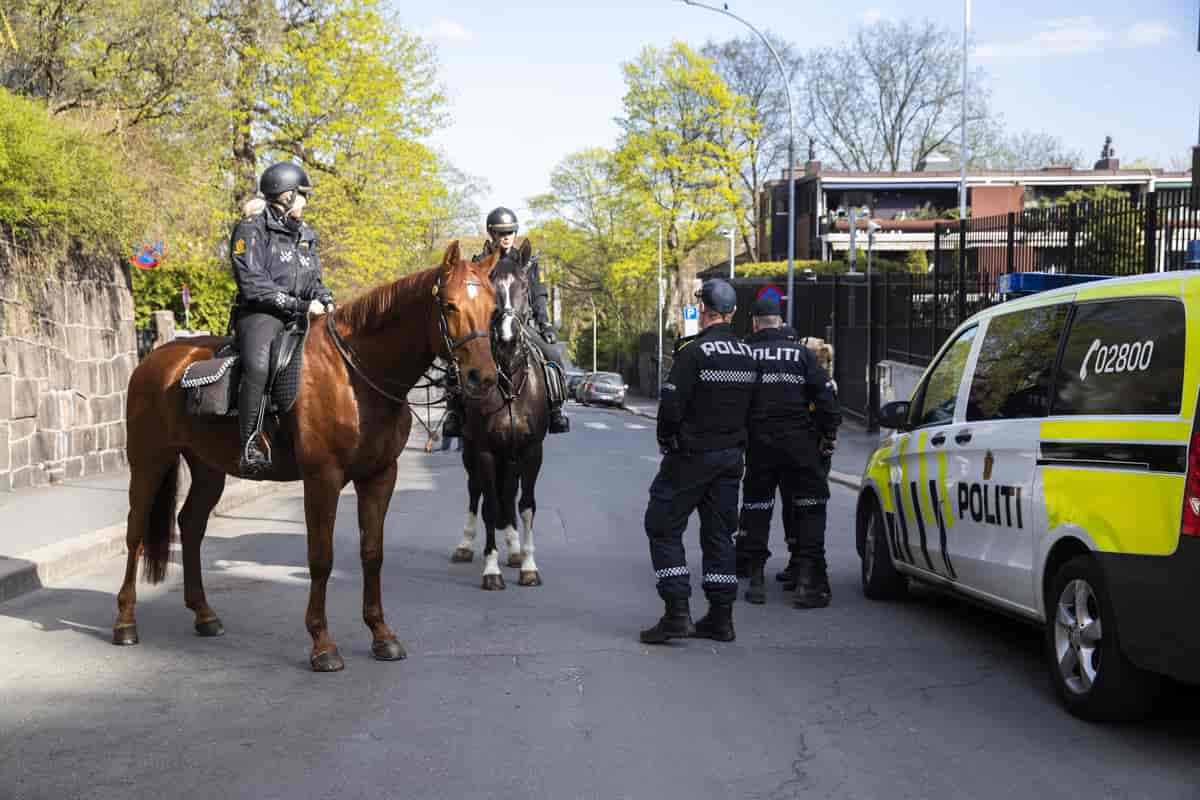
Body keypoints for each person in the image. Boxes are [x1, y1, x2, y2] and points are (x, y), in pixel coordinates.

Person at [640, 278, 756, 644]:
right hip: (730, 458)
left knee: (662, 524)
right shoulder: (748, 354)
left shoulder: (693, 352)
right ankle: (721, 618)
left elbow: (672, 405)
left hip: (691, 456)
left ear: (703, 309)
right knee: (720, 534)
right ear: (733, 313)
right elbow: (755, 409)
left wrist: (666, 439)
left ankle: (677, 612)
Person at [229, 162, 334, 477]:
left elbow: (314, 279)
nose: (306, 202)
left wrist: (326, 299)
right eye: (302, 196)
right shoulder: (251, 228)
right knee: (259, 365)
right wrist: (297, 305)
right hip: (262, 314)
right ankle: (250, 444)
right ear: (285, 196)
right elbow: (252, 282)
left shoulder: (304, 234)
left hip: (300, 313)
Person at [737, 296, 841, 608]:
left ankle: (756, 580)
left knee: (757, 508)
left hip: (759, 443)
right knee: (810, 507)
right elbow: (825, 398)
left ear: (755, 323)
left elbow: (733, 399)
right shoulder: (801, 354)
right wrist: (828, 434)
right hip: (800, 442)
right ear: (780, 322)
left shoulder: (745, 353)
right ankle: (808, 582)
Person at [441, 206, 570, 437]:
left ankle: (555, 409)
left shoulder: (527, 262)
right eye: (502, 233)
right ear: (492, 234)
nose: (507, 237)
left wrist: (545, 325)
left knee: (552, 354)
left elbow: (538, 295)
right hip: (489, 327)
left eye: (511, 232)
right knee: (454, 363)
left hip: (521, 325)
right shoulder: (480, 262)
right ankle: (454, 413)